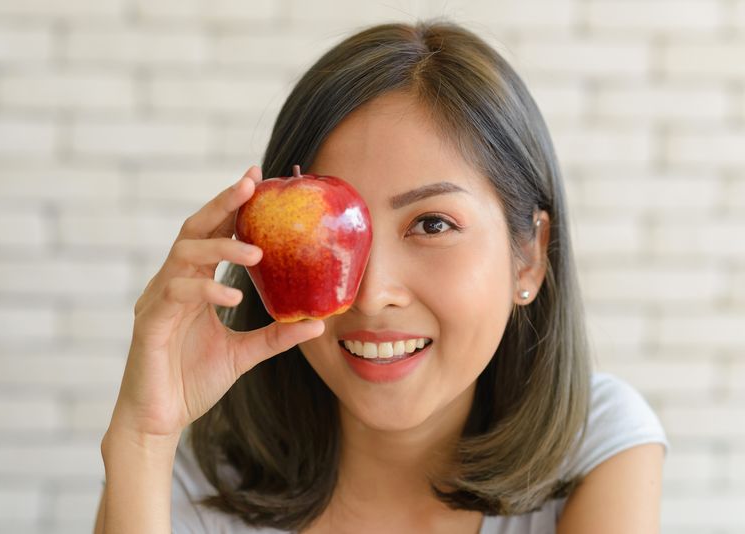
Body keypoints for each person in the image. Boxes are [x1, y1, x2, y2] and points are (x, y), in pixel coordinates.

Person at [93, 18, 669, 534]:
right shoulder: (204, 478)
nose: (370, 295)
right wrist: (143, 439)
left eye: (433, 224)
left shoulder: (600, 446)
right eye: (328, 236)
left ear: (529, 256)